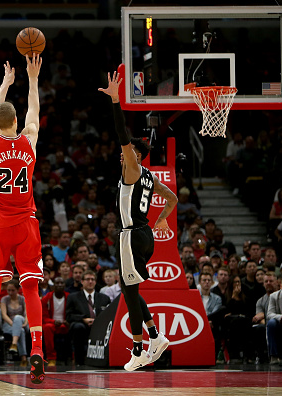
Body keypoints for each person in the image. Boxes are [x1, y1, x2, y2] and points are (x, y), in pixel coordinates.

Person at [98, 71, 178, 371]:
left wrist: (116, 101)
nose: (121, 155)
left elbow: (121, 133)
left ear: (136, 154)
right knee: (130, 289)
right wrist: (162, 220)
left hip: (131, 235)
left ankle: (141, 348)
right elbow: (172, 198)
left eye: (127, 151)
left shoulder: (133, 167)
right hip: (146, 235)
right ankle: (151, 339)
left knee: (130, 294)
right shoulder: (150, 177)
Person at [0, 55, 45, 384]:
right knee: (30, 288)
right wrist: (32, 79)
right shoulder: (29, 138)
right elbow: (34, 110)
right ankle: (38, 350)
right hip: (26, 224)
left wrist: (5, 83)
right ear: (16, 120)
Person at [65, 270, 110, 367]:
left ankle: (105, 361)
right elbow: (69, 316)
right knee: (78, 327)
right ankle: (79, 361)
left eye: (92, 279)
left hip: (99, 325)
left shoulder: (104, 298)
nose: (90, 282)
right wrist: (83, 319)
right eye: (87, 279)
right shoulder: (73, 297)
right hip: (81, 324)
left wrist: (97, 321)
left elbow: (108, 315)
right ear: (82, 281)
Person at [0, 281, 30, 366]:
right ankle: (23, 358)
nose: (10, 293)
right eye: (8, 290)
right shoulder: (4, 299)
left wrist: (24, 323)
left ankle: (14, 344)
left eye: (12, 290)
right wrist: (15, 326)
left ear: (18, 290)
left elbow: (27, 314)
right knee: (20, 331)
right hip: (8, 324)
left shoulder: (23, 299)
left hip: (23, 323)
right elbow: (4, 315)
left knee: (18, 318)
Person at [41, 277, 69, 366]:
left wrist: (67, 321)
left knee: (75, 327)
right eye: (57, 283)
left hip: (65, 323)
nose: (59, 285)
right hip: (52, 324)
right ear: (53, 286)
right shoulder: (46, 298)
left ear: (65, 285)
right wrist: (53, 321)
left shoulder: (69, 297)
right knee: (47, 327)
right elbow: (44, 317)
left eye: (62, 283)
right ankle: (51, 357)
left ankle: (72, 356)